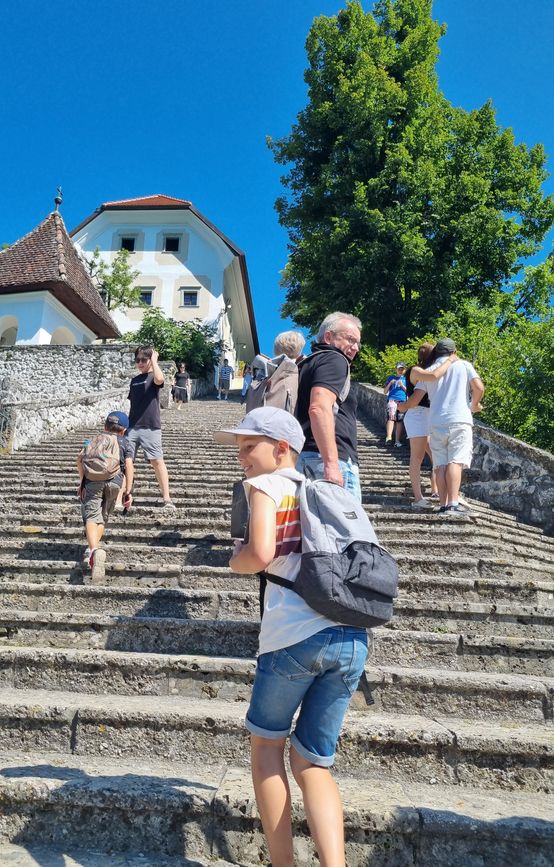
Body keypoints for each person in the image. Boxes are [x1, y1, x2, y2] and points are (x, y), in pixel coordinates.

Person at [216, 407, 367, 867]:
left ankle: (282, 863)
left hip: (293, 637)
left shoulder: (267, 485)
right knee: (313, 764)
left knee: (267, 751)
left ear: (282, 448)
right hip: (351, 636)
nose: (241, 458)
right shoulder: (324, 491)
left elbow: (261, 553)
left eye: (249, 447)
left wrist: (233, 558)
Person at [406, 338, 484, 517]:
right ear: (454, 351)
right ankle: (453, 504)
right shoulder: (463, 365)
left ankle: (443, 505)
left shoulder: (430, 370)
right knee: (455, 461)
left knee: (440, 464)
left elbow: (417, 398)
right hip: (459, 419)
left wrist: (402, 406)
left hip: (435, 421)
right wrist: (474, 405)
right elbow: (479, 388)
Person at [295, 311, 363, 501]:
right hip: (326, 460)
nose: (355, 348)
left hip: (303, 457)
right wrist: (331, 464)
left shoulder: (305, 364)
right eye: (350, 339)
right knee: (346, 530)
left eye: (358, 343)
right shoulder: (335, 359)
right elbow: (319, 407)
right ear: (328, 337)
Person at [77, 411, 134, 584]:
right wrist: (128, 491)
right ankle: (93, 548)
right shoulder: (125, 442)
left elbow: (79, 459)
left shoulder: (92, 440)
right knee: (103, 517)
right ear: (124, 430)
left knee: (91, 516)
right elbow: (130, 466)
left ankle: (94, 550)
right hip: (115, 482)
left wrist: (82, 482)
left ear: (105, 426)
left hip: (92, 481)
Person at [128, 345, 176, 510]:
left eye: (144, 359)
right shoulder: (134, 380)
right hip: (132, 427)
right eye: (138, 360)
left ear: (150, 360)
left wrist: (155, 361)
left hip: (150, 426)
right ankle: (123, 498)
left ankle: (167, 498)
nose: (140, 363)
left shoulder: (153, 377)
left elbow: (160, 380)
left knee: (157, 461)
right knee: (126, 463)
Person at [383, 363, 407, 447]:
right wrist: (390, 383)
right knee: (391, 418)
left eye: (402, 369)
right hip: (392, 400)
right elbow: (385, 392)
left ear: (404, 370)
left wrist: (402, 385)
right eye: (399, 369)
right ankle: (389, 437)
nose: (400, 371)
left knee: (400, 420)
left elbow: (409, 391)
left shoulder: (406, 379)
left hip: (402, 401)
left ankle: (397, 441)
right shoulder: (391, 378)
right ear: (396, 369)